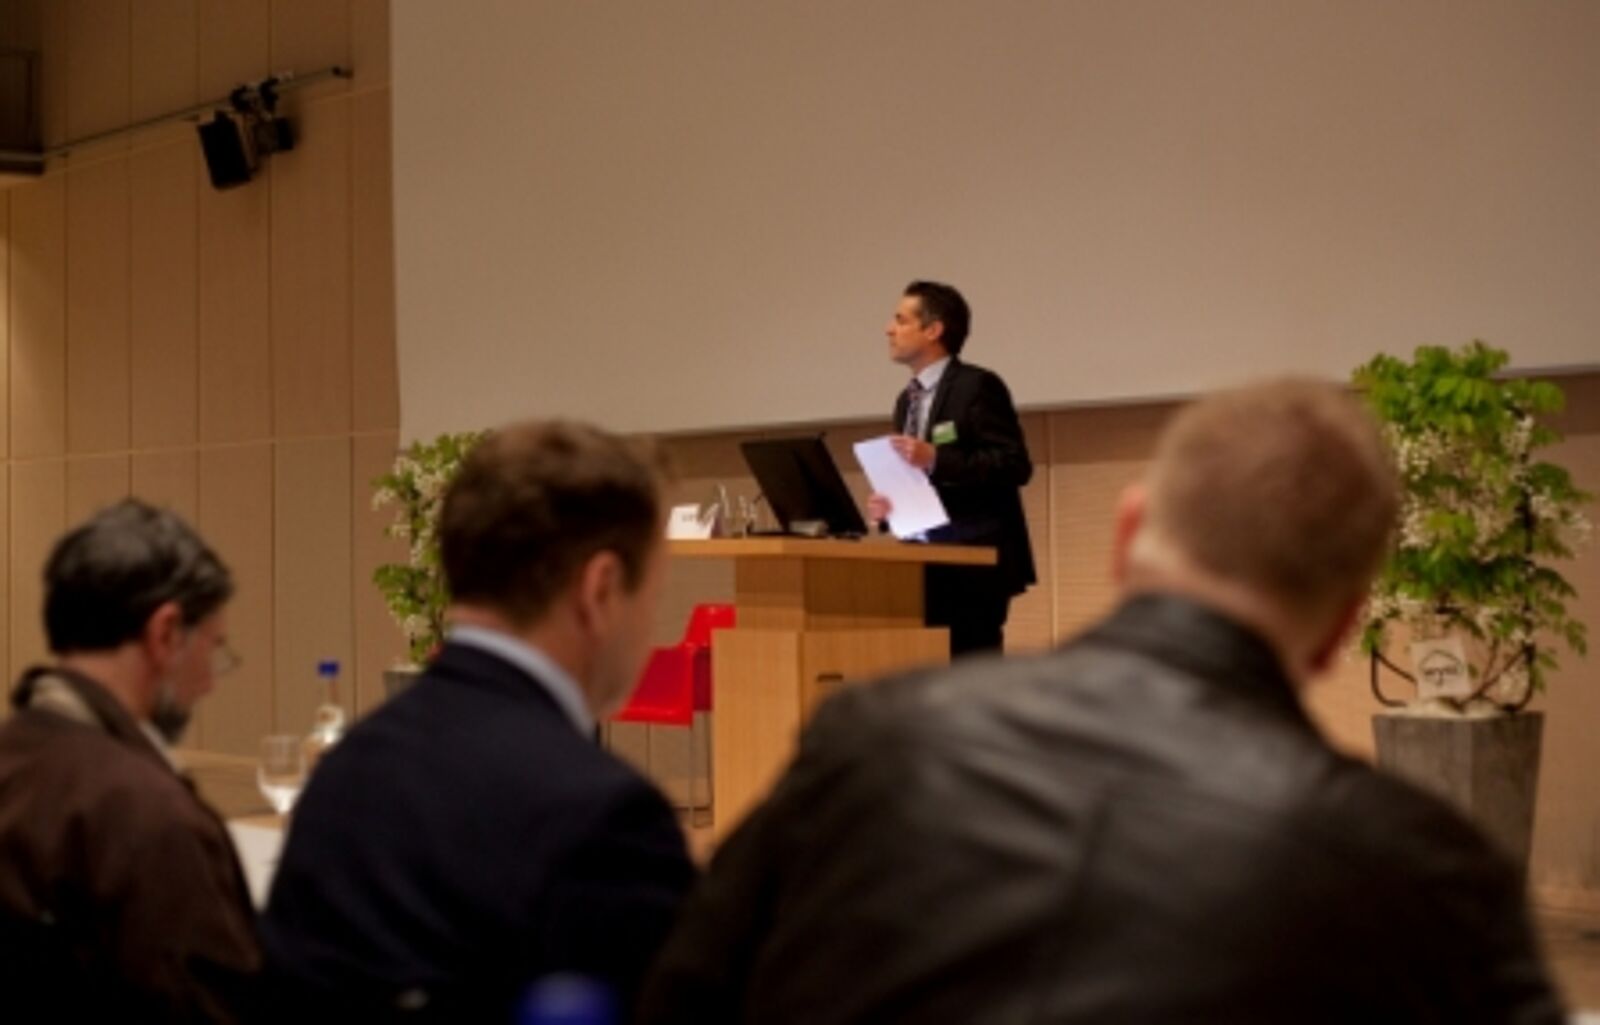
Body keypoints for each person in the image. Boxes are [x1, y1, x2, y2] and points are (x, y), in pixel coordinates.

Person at [637, 379, 1565, 1025]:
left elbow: (682, 995)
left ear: (1126, 536)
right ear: (1342, 626)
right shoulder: (1423, 868)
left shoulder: (874, 737)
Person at [261, 420, 696, 1022]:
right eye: (655, 597)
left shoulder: (343, 775)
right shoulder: (606, 818)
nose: (652, 626)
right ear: (600, 591)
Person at [0, 499, 259, 1022]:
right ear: (165, 634)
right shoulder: (151, 818)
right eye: (213, 648)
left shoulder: (15, 757)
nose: (210, 682)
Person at [868, 280, 1035, 656]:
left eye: (901, 320)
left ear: (933, 330)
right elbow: (921, 480)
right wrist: (891, 506)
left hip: (974, 560)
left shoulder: (977, 386)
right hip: (923, 561)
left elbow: (1014, 465)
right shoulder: (906, 400)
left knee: (969, 671)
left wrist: (936, 458)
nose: (888, 329)